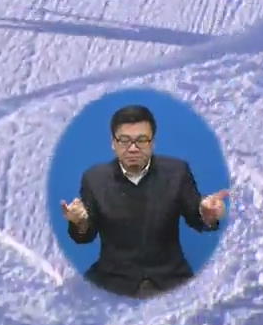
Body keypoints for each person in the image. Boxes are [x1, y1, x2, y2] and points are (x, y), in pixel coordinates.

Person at [60, 105, 229, 298]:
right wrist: (80, 221)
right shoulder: (94, 178)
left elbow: (195, 216)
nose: (133, 148)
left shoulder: (177, 171)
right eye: (124, 140)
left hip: (171, 279)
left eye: (141, 140)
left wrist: (207, 214)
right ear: (113, 144)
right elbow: (86, 235)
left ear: (152, 143)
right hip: (112, 279)